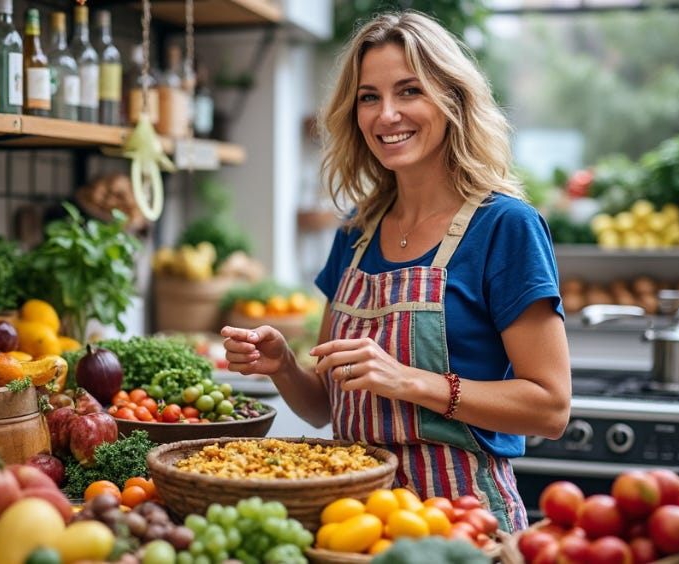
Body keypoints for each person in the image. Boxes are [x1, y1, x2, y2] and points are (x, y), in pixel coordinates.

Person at [220, 9, 571, 532]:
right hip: (352, 520)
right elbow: (322, 407)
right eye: (369, 97)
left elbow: (550, 407)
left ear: (451, 99)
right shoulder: (355, 233)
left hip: (462, 523)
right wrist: (283, 367)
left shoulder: (505, 226)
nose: (386, 114)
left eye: (409, 91)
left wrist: (412, 381)